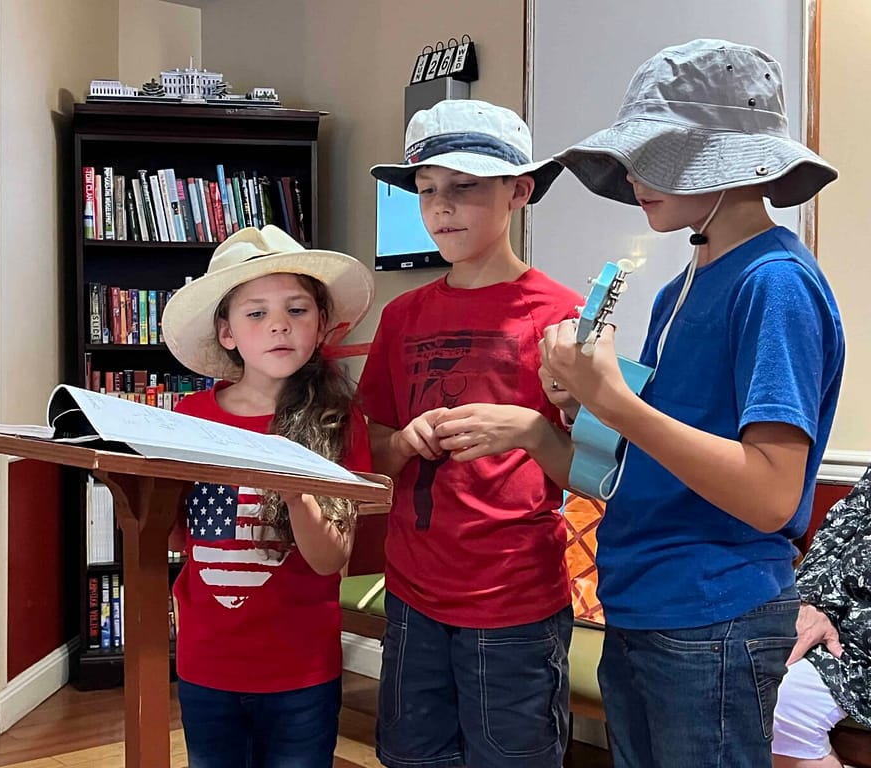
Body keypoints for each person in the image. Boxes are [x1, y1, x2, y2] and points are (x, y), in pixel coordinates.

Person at [539, 39, 844, 768]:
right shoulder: (683, 285)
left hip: (713, 613)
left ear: (733, 159)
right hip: (647, 600)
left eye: (663, 153)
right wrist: (575, 405)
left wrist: (614, 402)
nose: (638, 175)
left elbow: (772, 494)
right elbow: (652, 461)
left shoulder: (774, 284)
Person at [360, 98, 581, 768]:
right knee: (411, 754)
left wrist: (530, 429)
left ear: (520, 191)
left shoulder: (563, 315)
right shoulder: (402, 316)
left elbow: (596, 467)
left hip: (514, 599)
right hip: (413, 593)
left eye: (464, 188)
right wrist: (402, 443)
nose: (441, 209)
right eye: (427, 191)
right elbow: (370, 444)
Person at [160, 224, 375, 768]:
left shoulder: (336, 420)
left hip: (300, 670)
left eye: (297, 309)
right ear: (227, 332)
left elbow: (331, 558)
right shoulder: (189, 418)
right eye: (256, 313)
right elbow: (164, 530)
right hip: (205, 663)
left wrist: (295, 488)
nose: (279, 324)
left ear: (321, 324)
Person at [772, 465, 871, 768]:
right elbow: (842, 523)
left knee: (786, 705)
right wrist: (812, 602)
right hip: (837, 611)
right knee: (758, 677)